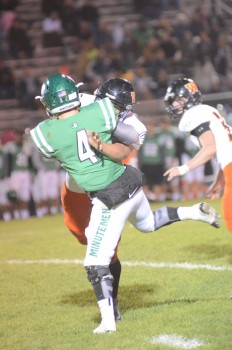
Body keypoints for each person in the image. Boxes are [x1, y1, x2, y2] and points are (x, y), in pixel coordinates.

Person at [30, 73, 220, 334]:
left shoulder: (48, 131)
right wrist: (99, 142)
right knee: (149, 223)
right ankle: (193, 211)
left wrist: (92, 140)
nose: (121, 110)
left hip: (108, 197)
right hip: (129, 183)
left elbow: (53, 146)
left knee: (95, 262)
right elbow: (121, 147)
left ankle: (109, 323)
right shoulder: (101, 111)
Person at [61, 77, 147, 322]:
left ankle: (113, 303)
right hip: (76, 185)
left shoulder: (133, 124)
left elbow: (132, 139)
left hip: (107, 184)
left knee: (109, 250)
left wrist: (98, 119)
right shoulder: (83, 100)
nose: (119, 112)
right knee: (78, 232)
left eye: (122, 109)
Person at [163, 77, 232, 232]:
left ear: (186, 98)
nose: (173, 105)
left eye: (175, 100)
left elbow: (210, 148)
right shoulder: (206, 110)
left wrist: (182, 169)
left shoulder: (192, 114)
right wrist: (220, 181)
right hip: (229, 166)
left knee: (230, 217)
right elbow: (225, 149)